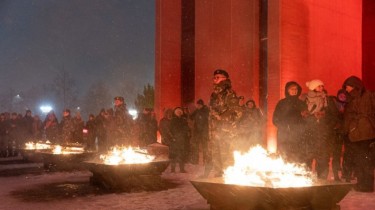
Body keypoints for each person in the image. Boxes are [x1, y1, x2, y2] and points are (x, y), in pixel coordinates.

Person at [203, 69, 243, 177]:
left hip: (226, 131)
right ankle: (218, 176)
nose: (214, 79)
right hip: (214, 131)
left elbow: (238, 112)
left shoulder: (229, 93)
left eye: (217, 77)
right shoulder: (214, 95)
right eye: (214, 77)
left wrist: (221, 118)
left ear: (225, 79)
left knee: (226, 155)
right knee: (215, 154)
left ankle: (229, 177)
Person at [342, 76, 375, 192]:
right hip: (364, 132)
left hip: (360, 132)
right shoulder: (367, 95)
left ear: (354, 85)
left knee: (363, 160)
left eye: (348, 86)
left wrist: (345, 131)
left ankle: (365, 185)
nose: (346, 89)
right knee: (364, 160)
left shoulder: (356, 98)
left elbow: (348, 117)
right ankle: (364, 184)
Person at [304, 79, 340, 180]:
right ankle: (306, 180)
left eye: (322, 86)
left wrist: (325, 119)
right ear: (313, 88)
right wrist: (311, 117)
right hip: (309, 132)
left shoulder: (327, 100)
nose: (322, 88)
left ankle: (322, 180)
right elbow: (302, 115)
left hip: (323, 132)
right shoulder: (305, 99)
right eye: (319, 86)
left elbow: (334, 115)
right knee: (308, 157)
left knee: (323, 158)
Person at [273, 81, 307, 163]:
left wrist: (304, 119)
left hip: (298, 133)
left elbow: (306, 118)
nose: (294, 91)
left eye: (296, 89)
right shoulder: (282, 103)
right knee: (284, 152)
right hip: (285, 133)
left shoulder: (301, 103)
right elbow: (275, 119)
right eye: (292, 89)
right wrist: (284, 127)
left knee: (297, 154)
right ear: (287, 90)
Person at [169, 107, 191, 173]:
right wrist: (173, 137)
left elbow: (186, 128)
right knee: (174, 155)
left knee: (181, 154)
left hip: (182, 140)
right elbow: (170, 130)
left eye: (180, 112)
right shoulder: (172, 120)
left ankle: (182, 169)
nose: (179, 113)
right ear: (175, 113)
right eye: (177, 112)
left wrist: (186, 135)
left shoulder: (183, 120)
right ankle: (173, 169)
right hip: (174, 140)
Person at [190, 99, 210, 165]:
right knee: (196, 146)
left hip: (204, 132)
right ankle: (195, 161)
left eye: (198, 105)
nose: (197, 106)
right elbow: (191, 117)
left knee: (205, 147)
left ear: (201, 105)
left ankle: (206, 161)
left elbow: (206, 120)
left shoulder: (206, 111)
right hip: (197, 132)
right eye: (197, 105)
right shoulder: (197, 111)